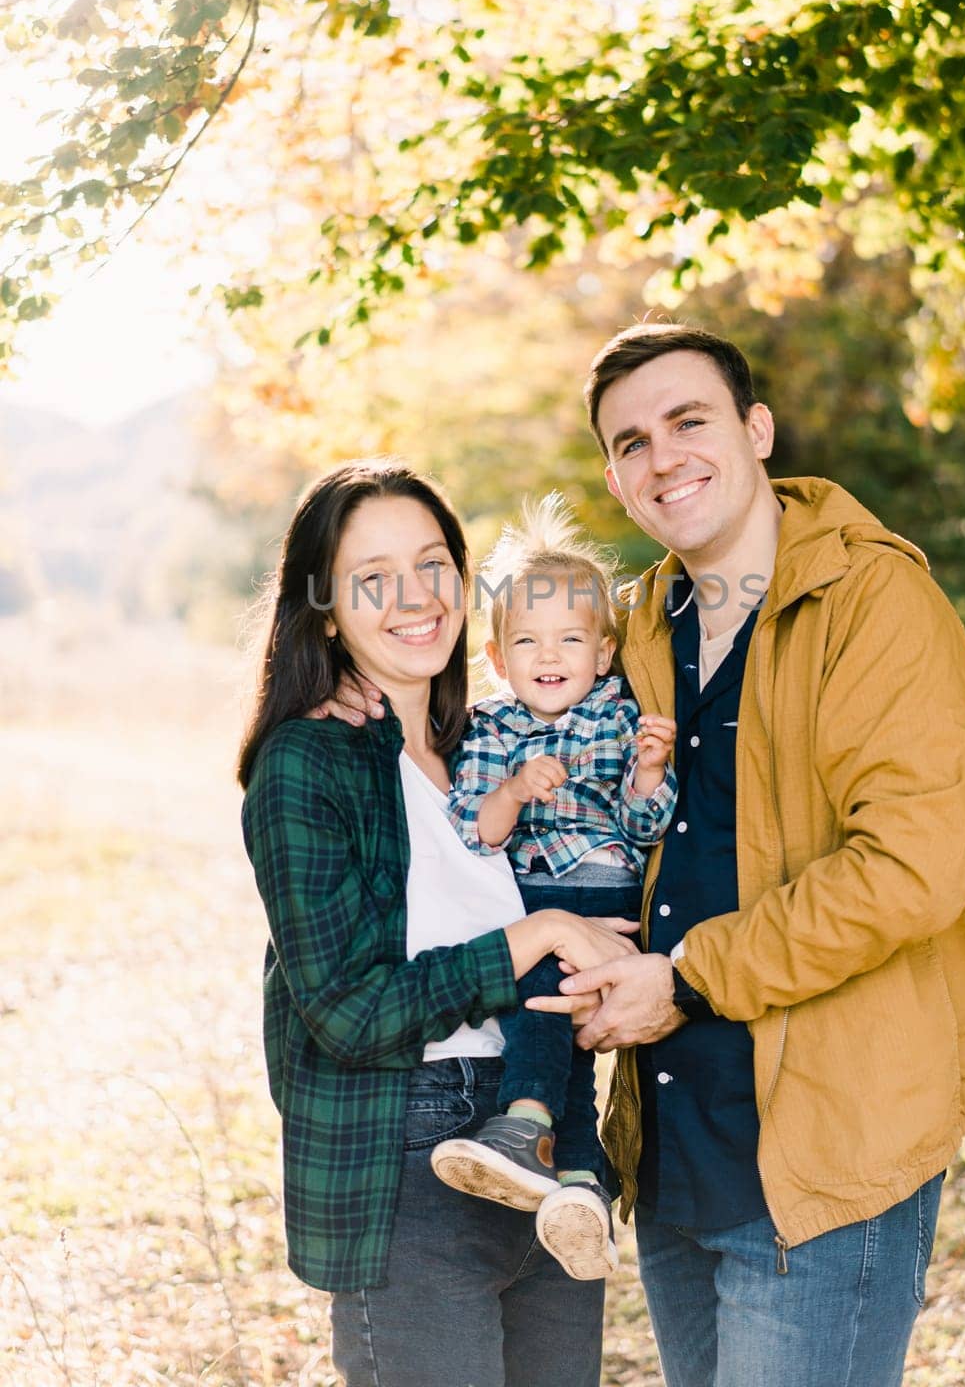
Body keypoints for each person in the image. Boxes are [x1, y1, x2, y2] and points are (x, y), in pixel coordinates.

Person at [524, 319, 965, 1387]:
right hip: (674, 1141)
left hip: (828, 1145)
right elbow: (536, 745)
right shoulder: (633, 625)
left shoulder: (875, 602)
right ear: (613, 475)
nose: (662, 457)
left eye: (687, 420)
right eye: (630, 441)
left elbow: (908, 868)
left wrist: (683, 977)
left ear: (756, 428)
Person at [237, 459, 641, 1387]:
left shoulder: (491, 742)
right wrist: (529, 939)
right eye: (372, 578)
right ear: (326, 611)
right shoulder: (308, 763)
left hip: (548, 1138)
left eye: (433, 564)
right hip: (412, 1155)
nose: (414, 597)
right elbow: (343, 1011)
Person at [429, 494, 677, 1281]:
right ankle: (579, 1187)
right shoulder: (491, 729)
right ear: (498, 658)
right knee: (571, 1048)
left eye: (570, 638)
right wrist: (512, 789)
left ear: (603, 653)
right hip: (529, 903)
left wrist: (647, 771)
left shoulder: (616, 717)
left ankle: (521, 1122)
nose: (550, 654)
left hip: (601, 897)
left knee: (541, 1006)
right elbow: (476, 828)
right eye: (528, 640)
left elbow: (646, 827)